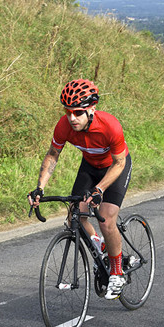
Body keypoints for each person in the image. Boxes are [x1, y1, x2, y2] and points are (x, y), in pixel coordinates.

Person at [28, 79, 132, 300]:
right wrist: (39, 188)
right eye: (68, 112)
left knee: (106, 217)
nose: (72, 118)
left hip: (115, 167)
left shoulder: (110, 126)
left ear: (92, 108)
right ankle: (102, 245)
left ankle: (116, 272)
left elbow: (119, 163)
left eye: (77, 112)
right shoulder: (64, 125)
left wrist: (100, 189)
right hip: (90, 166)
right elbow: (53, 155)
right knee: (75, 215)